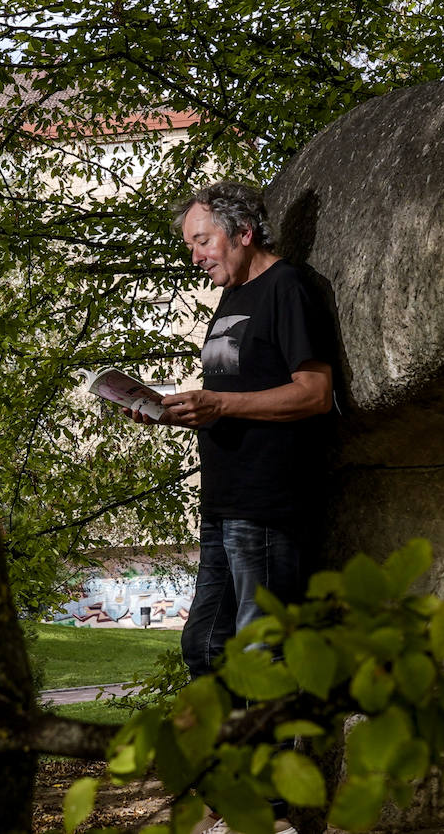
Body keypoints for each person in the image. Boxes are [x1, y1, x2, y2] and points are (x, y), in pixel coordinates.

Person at [126, 181, 335, 679]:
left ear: (243, 232)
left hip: (267, 503)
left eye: (202, 241)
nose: (195, 256)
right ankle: (229, 757)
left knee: (261, 655)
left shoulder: (287, 287)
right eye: (189, 246)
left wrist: (218, 401)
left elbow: (314, 393)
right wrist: (168, 410)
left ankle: (275, 756)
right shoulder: (234, 294)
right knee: (204, 648)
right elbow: (234, 394)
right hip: (223, 502)